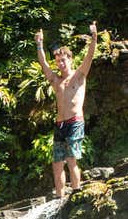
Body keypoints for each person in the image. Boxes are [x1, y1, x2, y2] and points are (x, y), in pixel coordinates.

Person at [35, 21, 98, 198]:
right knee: (57, 164)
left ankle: (76, 192)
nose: (60, 63)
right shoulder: (56, 81)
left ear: (70, 59)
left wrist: (94, 36)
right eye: (58, 61)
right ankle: (59, 197)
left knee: (71, 160)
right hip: (60, 125)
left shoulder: (79, 76)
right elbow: (43, 64)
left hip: (75, 122)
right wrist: (39, 44)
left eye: (63, 60)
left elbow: (90, 56)